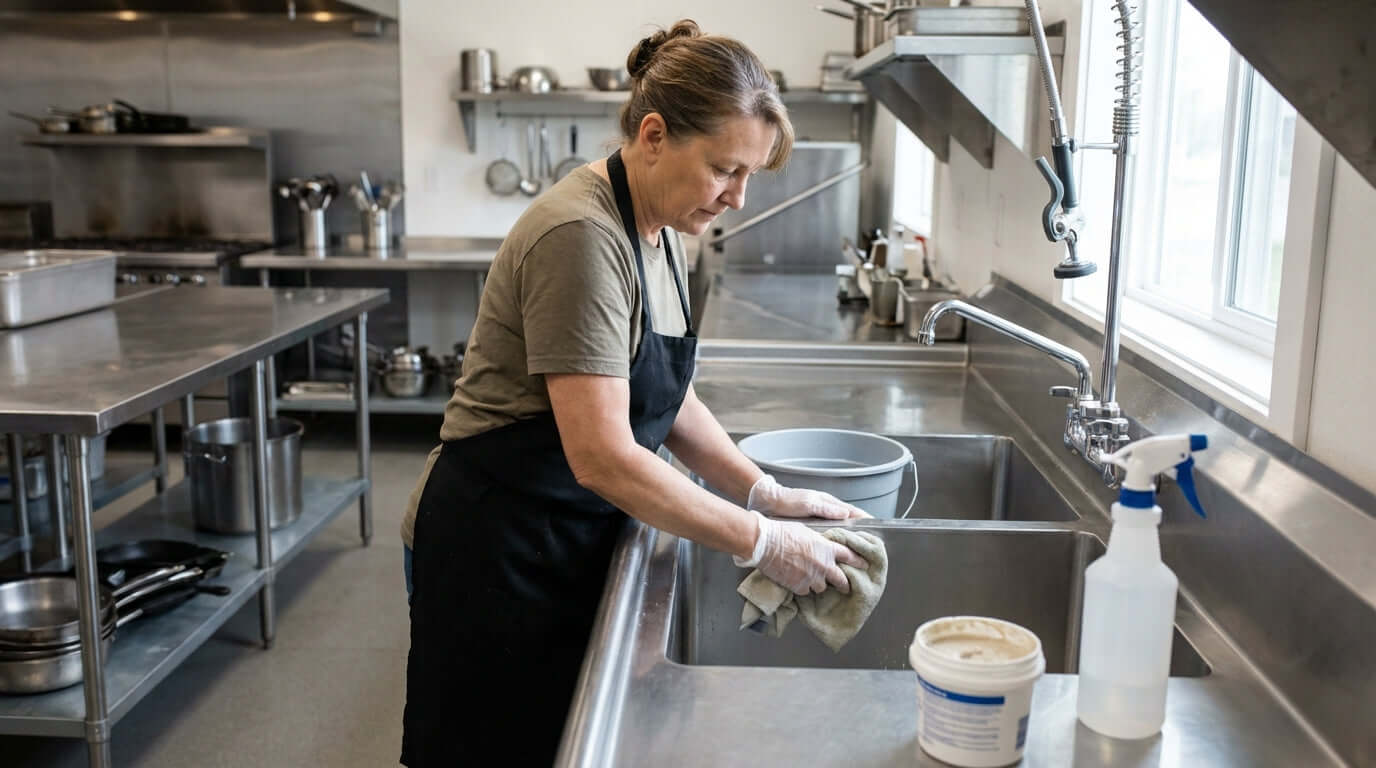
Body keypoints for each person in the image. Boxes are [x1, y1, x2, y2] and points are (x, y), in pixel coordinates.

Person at [400, 20, 871, 766]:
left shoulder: (664, 232)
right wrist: (763, 541)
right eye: (724, 169)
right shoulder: (581, 237)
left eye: (748, 175)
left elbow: (665, 396)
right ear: (653, 136)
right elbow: (605, 456)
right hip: (503, 547)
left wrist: (761, 491)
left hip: (571, 529)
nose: (738, 198)